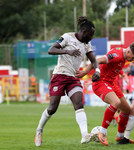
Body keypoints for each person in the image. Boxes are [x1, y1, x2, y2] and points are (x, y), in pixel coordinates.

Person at [34, 16, 100, 147]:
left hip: (73, 78)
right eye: (91, 35)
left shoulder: (87, 44)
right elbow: (51, 50)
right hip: (59, 76)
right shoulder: (67, 37)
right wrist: (67, 51)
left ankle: (84, 135)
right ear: (84, 32)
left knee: (79, 104)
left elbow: (94, 60)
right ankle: (39, 130)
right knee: (52, 108)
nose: (92, 38)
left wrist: (97, 71)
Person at [76, 42, 134, 146]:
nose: (133, 60)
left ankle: (120, 135)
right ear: (129, 51)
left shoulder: (124, 56)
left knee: (126, 109)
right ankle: (102, 132)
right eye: (133, 57)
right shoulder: (117, 55)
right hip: (101, 83)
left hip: (111, 84)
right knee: (116, 102)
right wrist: (85, 72)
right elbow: (97, 60)